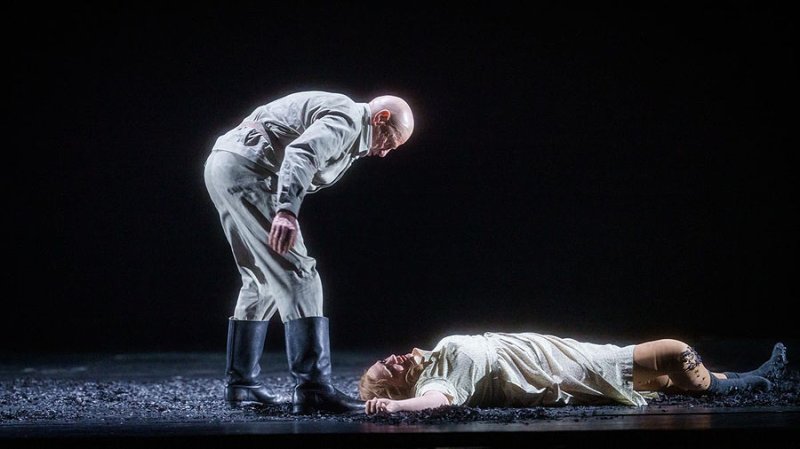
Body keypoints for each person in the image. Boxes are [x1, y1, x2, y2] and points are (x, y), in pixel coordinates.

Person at [204, 90, 414, 414]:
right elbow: (302, 152)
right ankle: (313, 389)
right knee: (300, 274)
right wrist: (286, 210)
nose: (385, 153)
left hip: (226, 166)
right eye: (390, 140)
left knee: (260, 279)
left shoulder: (350, 130)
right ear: (381, 118)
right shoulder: (349, 117)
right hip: (249, 170)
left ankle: (242, 385)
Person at [358, 332, 787, 414]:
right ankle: (728, 387)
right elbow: (438, 401)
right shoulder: (438, 379)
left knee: (666, 378)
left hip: (579, 354)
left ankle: (737, 378)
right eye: (387, 368)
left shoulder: (436, 355)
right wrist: (395, 408)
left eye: (387, 357)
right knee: (678, 353)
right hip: (581, 370)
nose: (393, 357)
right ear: (397, 386)